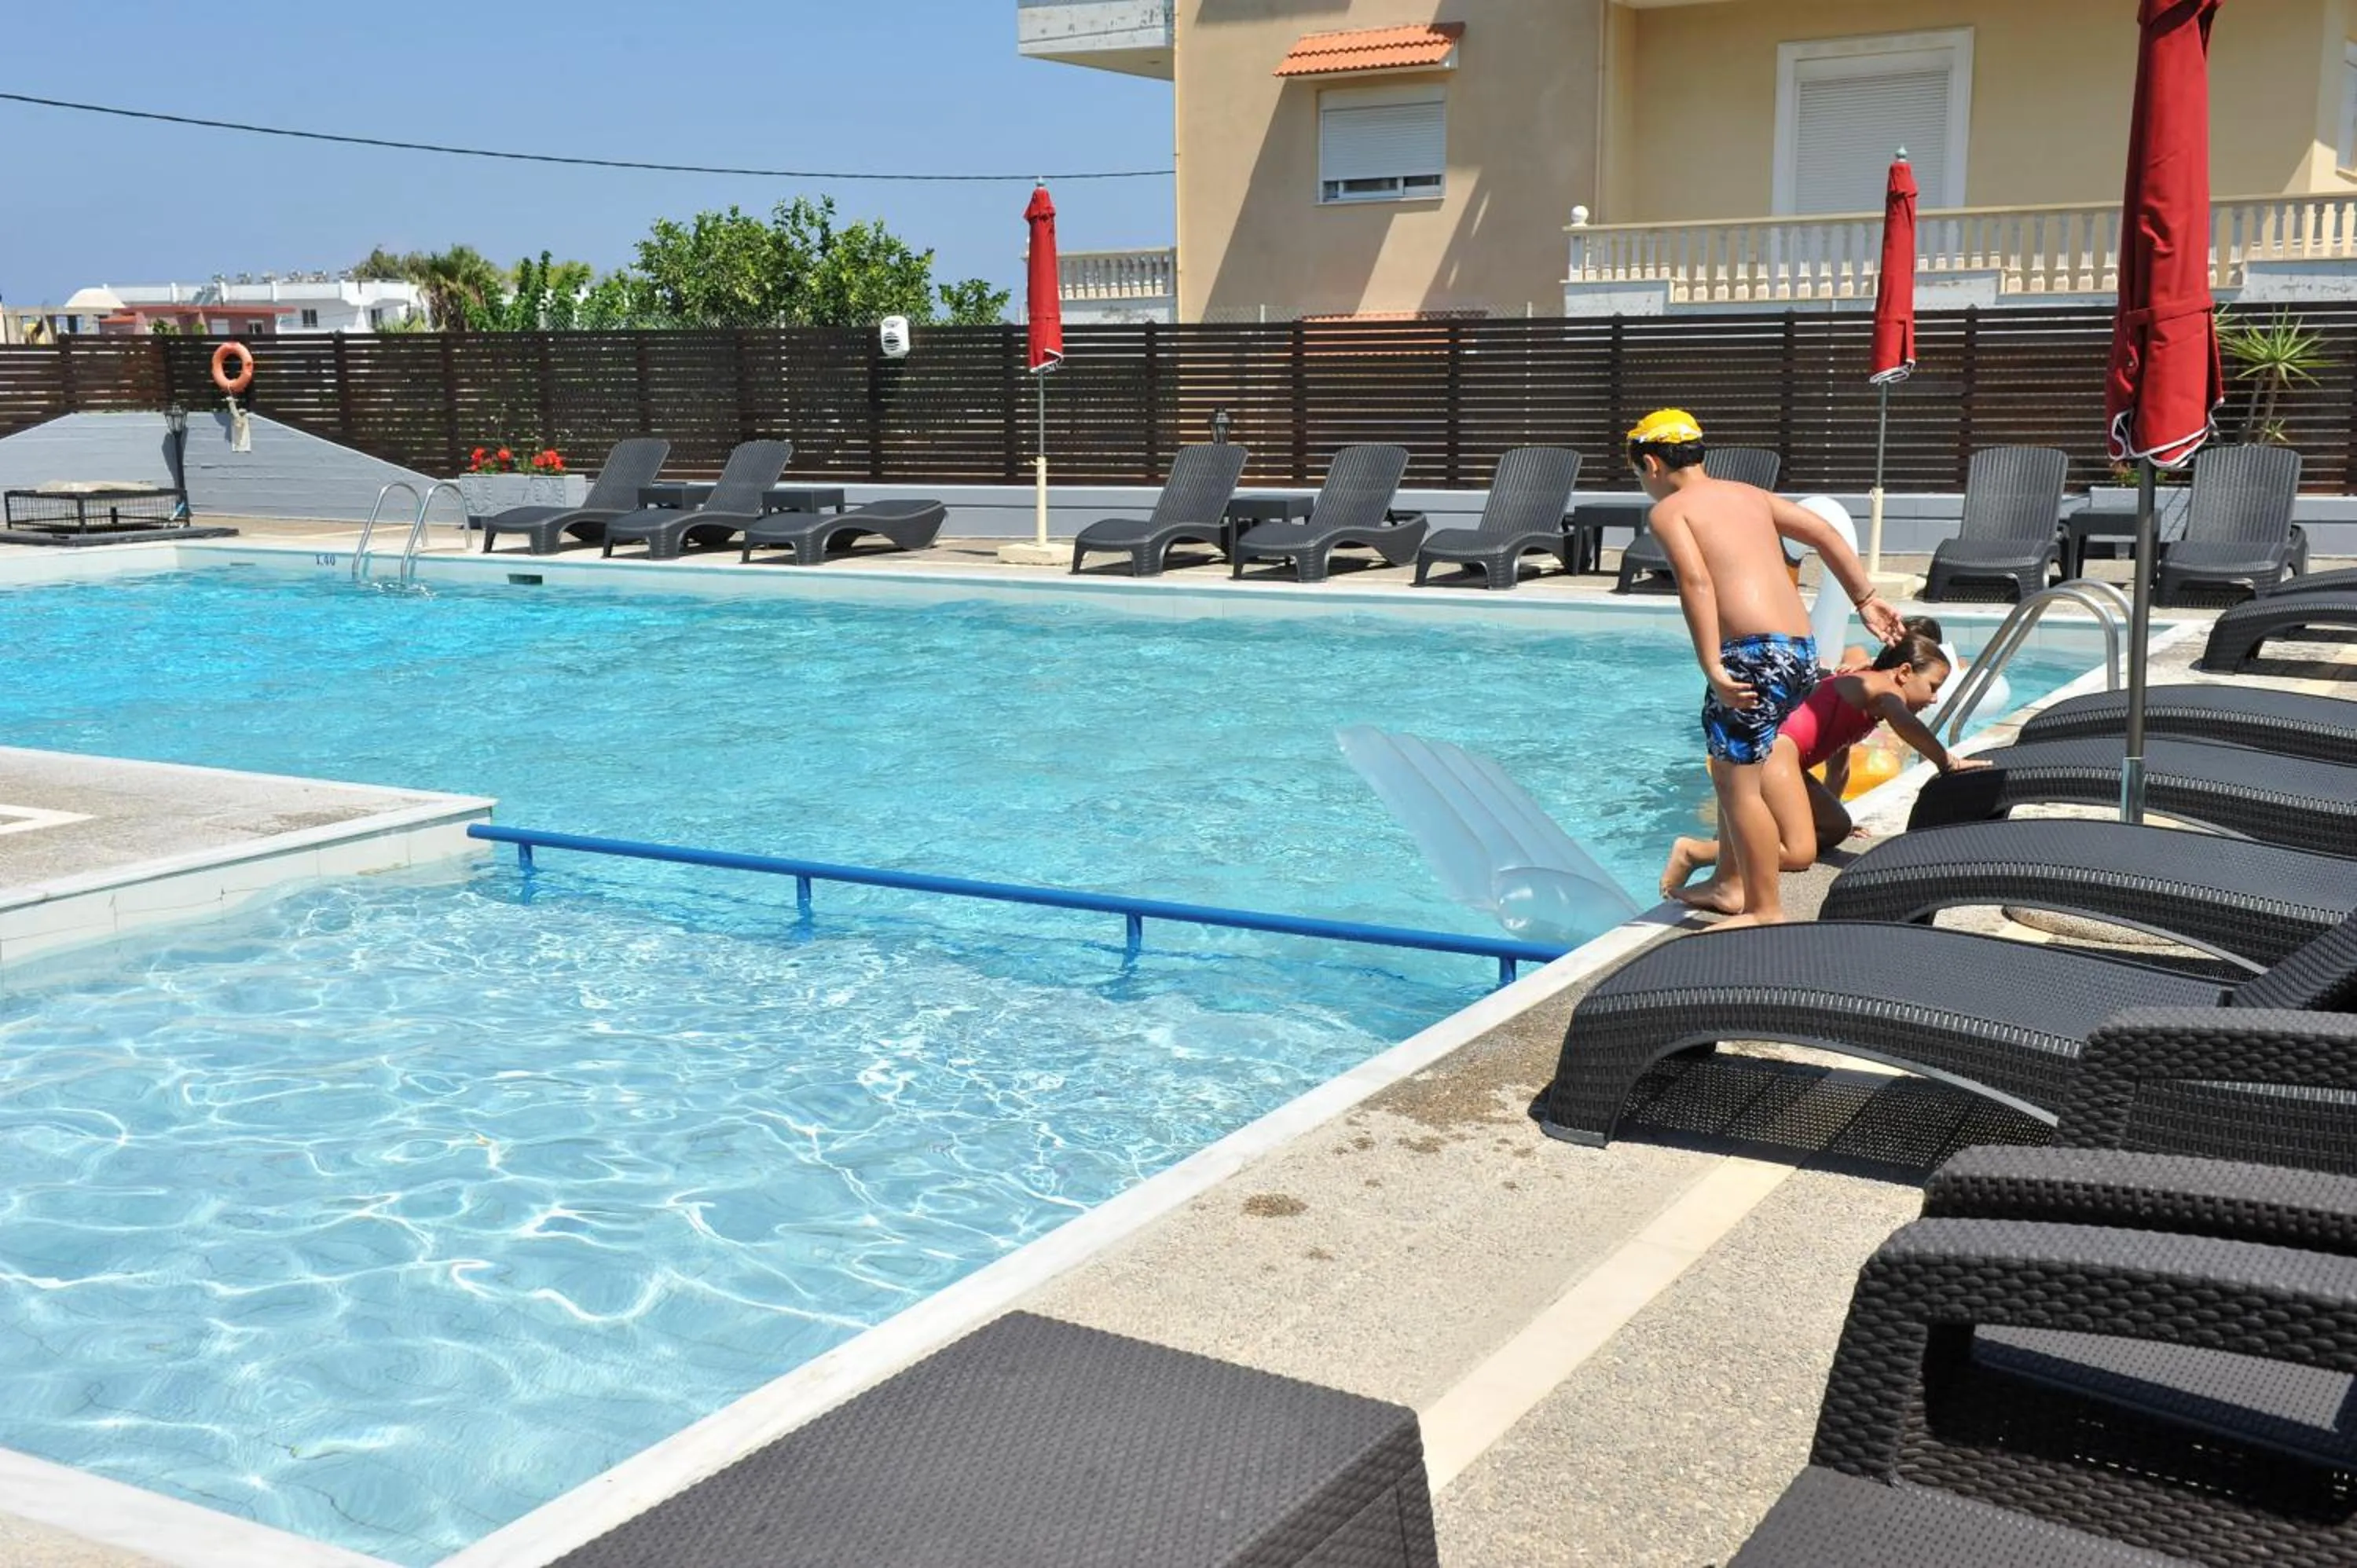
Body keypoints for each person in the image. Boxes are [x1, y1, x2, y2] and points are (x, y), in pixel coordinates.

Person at [1628, 408, 1905, 929]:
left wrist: (1711, 661)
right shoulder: (1748, 495)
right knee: (1742, 772)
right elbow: (1823, 531)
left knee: (1739, 787)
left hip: (1751, 654)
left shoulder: (1669, 512)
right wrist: (1865, 598)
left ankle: (1764, 909)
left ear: (1650, 464)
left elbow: (1697, 584)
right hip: (1799, 652)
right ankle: (1730, 884)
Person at [1659, 630, 1992, 914]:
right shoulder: (1884, 691)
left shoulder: (1864, 694)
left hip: (1786, 761)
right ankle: (1697, 851)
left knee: (1836, 827)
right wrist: (1946, 761)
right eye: (1933, 686)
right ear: (1904, 672)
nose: (1934, 699)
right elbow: (1907, 725)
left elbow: (1839, 765)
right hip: (1775, 754)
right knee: (1800, 853)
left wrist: (1824, 811)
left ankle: (1746, 843)